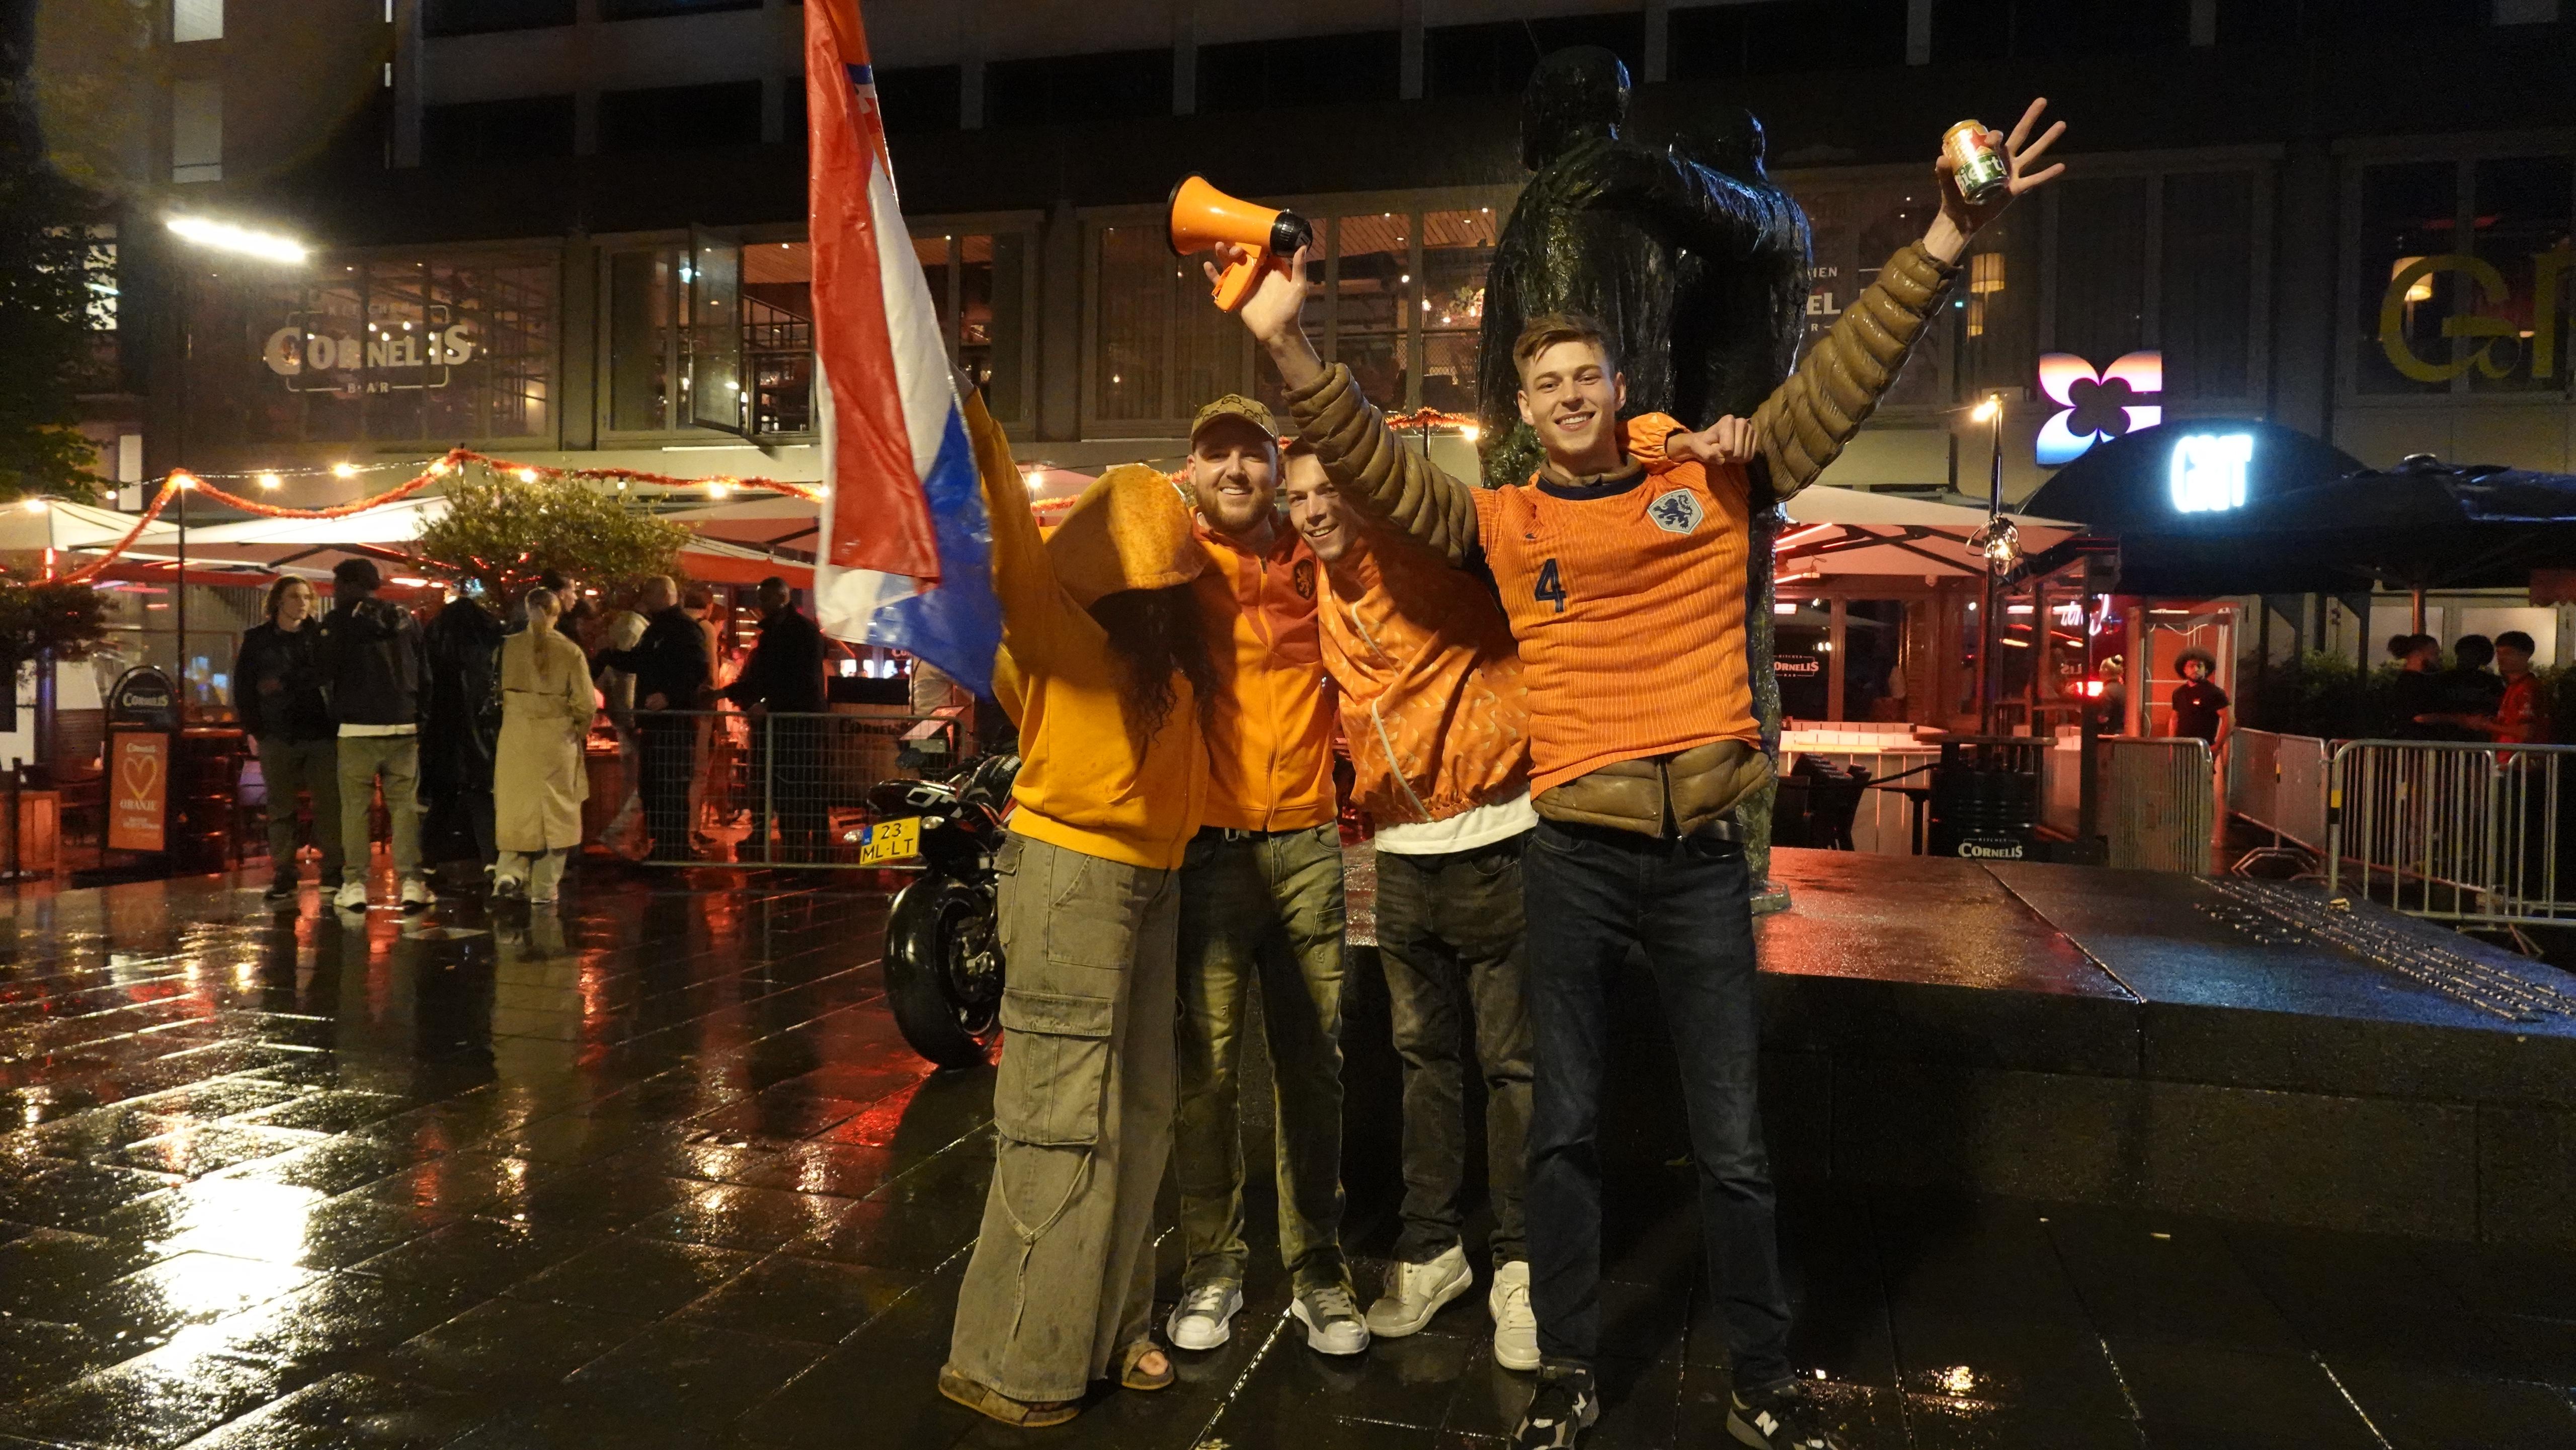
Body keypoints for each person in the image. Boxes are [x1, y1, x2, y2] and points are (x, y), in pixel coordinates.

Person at [1227, 98, 2064, 1450]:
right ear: (1519, 402)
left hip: (1694, 874)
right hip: (1574, 862)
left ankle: (1762, 1377)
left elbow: (1839, 379)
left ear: (1621, 384)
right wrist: (1290, 351)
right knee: (1560, 1135)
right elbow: (1379, 473)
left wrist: (1947, 238)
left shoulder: (1714, 477)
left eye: (1586, 374)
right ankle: (1566, 1371)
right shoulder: (1500, 518)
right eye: (1544, 381)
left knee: (1732, 1148)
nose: (1567, 395)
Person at [940, 389, 1215, 1428]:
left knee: (1136, 1119)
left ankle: (1100, 1334)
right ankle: (1012, 1361)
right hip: (1071, 881)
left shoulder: (1168, 655)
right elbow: (1011, 546)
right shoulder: (1060, 625)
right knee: (1059, 1125)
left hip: (1150, 882)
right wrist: (978, 425)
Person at [1280, 448, 1542, 1370]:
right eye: (1300, 495)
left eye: (1329, 490)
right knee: (1423, 1058)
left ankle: (1520, 1262)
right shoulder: (1316, 583)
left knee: (1515, 1064)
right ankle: (1435, 1248)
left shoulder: (1431, 546)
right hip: (1400, 852)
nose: (1313, 510)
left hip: (1501, 836)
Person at [1161, 394, 1363, 1359]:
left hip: (1307, 842)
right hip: (1207, 848)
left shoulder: (1312, 549)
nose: (1237, 469)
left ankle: (1317, 1264)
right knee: (1204, 1074)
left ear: (1276, 471)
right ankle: (1213, 1261)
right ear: (1192, 470)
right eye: (1218, 455)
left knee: (1313, 1067)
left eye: (1252, 453)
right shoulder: (1168, 553)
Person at [315, 557, 434, 913]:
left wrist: (334, 713)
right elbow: (425, 672)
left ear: (351, 586)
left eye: (338, 586)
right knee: (404, 808)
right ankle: (412, 882)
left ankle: (354, 885)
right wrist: (419, 716)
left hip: (356, 728)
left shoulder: (338, 623)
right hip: (402, 725)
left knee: (355, 809)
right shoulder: (405, 619)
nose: (335, 593)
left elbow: (323, 671)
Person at [233, 577, 344, 904]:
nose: (303, 603)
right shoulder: (258, 641)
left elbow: (332, 680)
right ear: (278, 602)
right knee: (281, 806)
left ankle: (333, 870)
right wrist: (256, 729)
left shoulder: (320, 638)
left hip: (320, 732)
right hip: (277, 732)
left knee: (329, 805)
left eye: (308, 597)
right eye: (295, 597)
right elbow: (244, 687)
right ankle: (284, 871)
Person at [593, 575, 708, 860]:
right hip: (656, 721)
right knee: (655, 784)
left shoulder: (682, 630)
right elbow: (640, 661)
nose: (645, 600)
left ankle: (674, 846)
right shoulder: (658, 629)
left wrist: (670, 696)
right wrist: (610, 656)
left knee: (669, 783)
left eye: (649, 594)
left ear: (663, 596)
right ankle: (665, 844)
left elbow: (697, 671)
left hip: (673, 722)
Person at [493, 588, 595, 905]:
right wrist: (579, 730)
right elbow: (586, 704)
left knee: (515, 807)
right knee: (558, 812)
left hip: (515, 735)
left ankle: (509, 871)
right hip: (557, 737)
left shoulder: (506, 649)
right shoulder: (570, 652)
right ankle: (544, 888)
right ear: (557, 613)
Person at [721, 577, 828, 862]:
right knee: (793, 789)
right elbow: (768, 679)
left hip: (794, 724)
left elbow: (794, 680)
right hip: (793, 722)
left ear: (782, 598)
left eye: (765, 599)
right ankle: (809, 852)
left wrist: (767, 704)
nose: (760, 604)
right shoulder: (788, 631)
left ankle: (802, 853)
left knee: (794, 789)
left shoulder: (794, 633)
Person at [420, 589, 506, 883]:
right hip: (479, 732)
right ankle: (491, 859)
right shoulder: (486, 645)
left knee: (443, 799)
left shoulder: (433, 642)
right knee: (481, 794)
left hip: (442, 731)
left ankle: (427, 860)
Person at [595, 609, 651, 858]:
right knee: (647, 781)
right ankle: (621, 832)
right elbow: (629, 678)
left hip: (622, 718)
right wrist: (633, 719)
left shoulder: (619, 629)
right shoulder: (634, 629)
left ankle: (627, 838)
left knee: (632, 779)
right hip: (632, 719)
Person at [2167, 649, 2230, 752]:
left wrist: (2217, 746)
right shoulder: (2178, 693)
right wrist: (2171, 746)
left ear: (2206, 669)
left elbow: (2229, 719)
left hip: (2203, 748)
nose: (2196, 669)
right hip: (2181, 748)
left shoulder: (2215, 693)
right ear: (2184, 669)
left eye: (2200, 666)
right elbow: (2174, 719)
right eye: (2191, 666)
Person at [2386, 633, 2443, 738]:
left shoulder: (2414, 680)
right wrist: (2456, 719)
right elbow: (2417, 717)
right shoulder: (2409, 683)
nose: (2438, 659)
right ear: (2418, 654)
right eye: (2434, 654)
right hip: (2416, 742)